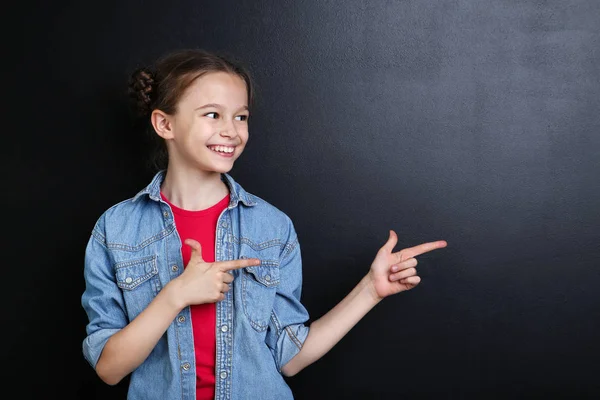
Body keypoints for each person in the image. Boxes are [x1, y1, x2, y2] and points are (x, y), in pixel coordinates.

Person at [81, 48, 447, 400]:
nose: (232, 131)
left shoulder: (272, 227)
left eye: (240, 117)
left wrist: (370, 290)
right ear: (165, 123)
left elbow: (290, 358)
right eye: (212, 114)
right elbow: (109, 369)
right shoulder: (116, 230)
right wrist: (176, 295)